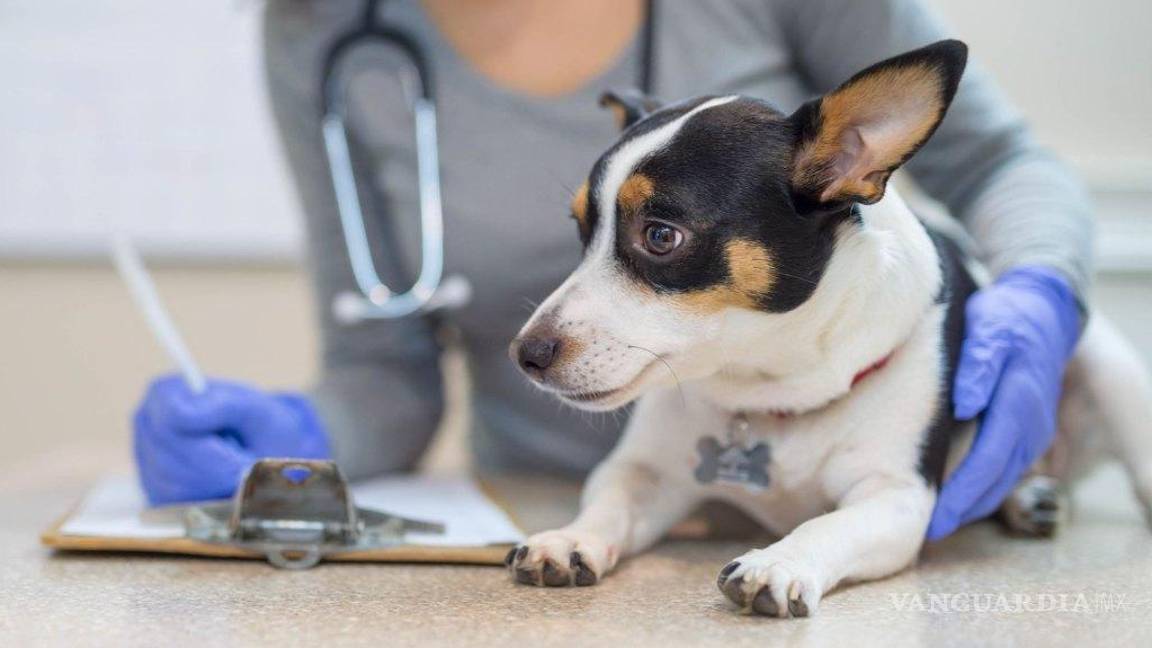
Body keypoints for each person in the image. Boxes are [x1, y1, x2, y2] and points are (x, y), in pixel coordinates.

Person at [133, 0, 1091, 541]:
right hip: (559, 521)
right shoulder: (323, 26)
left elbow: (1003, 166)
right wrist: (295, 439)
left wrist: (1040, 293)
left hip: (840, 486)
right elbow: (382, 364)